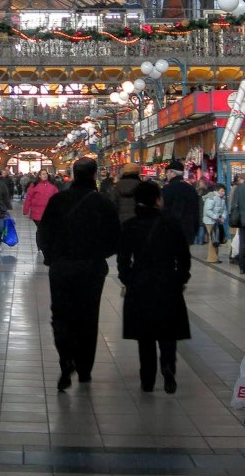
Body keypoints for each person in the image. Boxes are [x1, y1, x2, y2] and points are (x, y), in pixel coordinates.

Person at [37, 157, 120, 391]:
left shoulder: (58, 200)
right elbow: (115, 239)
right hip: (91, 268)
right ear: (95, 175)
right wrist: (98, 253)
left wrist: (51, 257)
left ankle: (66, 358)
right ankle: (84, 369)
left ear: (73, 174)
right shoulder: (103, 203)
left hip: (61, 267)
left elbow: (43, 233)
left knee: (61, 314)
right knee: (88, 316)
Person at [118, 180, 191, 393]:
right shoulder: (172, 223)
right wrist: (180, 279)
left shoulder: (130, 226)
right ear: (158, 200)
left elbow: (123, 260)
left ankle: (147, 378)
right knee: (168, 332)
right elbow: (183, 257)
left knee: (145, 336)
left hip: (140, 285)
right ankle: (168, 367)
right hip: (168, 283)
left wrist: (129, 279)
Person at [161, 159, 200, 248]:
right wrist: (195, 229)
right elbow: (196, 211)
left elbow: (163, 210)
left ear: (172, 173)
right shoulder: (191, 189)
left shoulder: (167, 189)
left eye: (167, 172)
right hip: (187, 231)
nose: (166, 174)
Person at [201, 183, 226, 263]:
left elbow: (224, 210)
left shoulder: (222, 199)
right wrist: (216, 217)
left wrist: (223, 217)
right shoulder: (212, 198)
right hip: (209, 221)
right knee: (213, 239)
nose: (223, 192)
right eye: (222, 191)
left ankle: (215, 257)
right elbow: (208, 210)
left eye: (224, 191)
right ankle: (212, 258)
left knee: (216, 239)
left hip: (216, 222)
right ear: (217, 190)